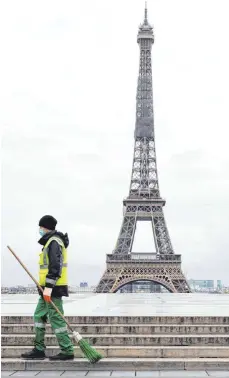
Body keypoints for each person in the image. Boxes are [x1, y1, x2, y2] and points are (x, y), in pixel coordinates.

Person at [21, 215, 74, 360]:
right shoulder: (50, 241)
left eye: (41, 227)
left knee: (56, 318)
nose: (39, 230)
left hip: (53, 288)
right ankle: (39, 348)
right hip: (45, 288)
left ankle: (67, 350)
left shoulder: (54, 242)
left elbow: (55, 266)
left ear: (45, 227)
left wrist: (49, 287)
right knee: (39, 316)